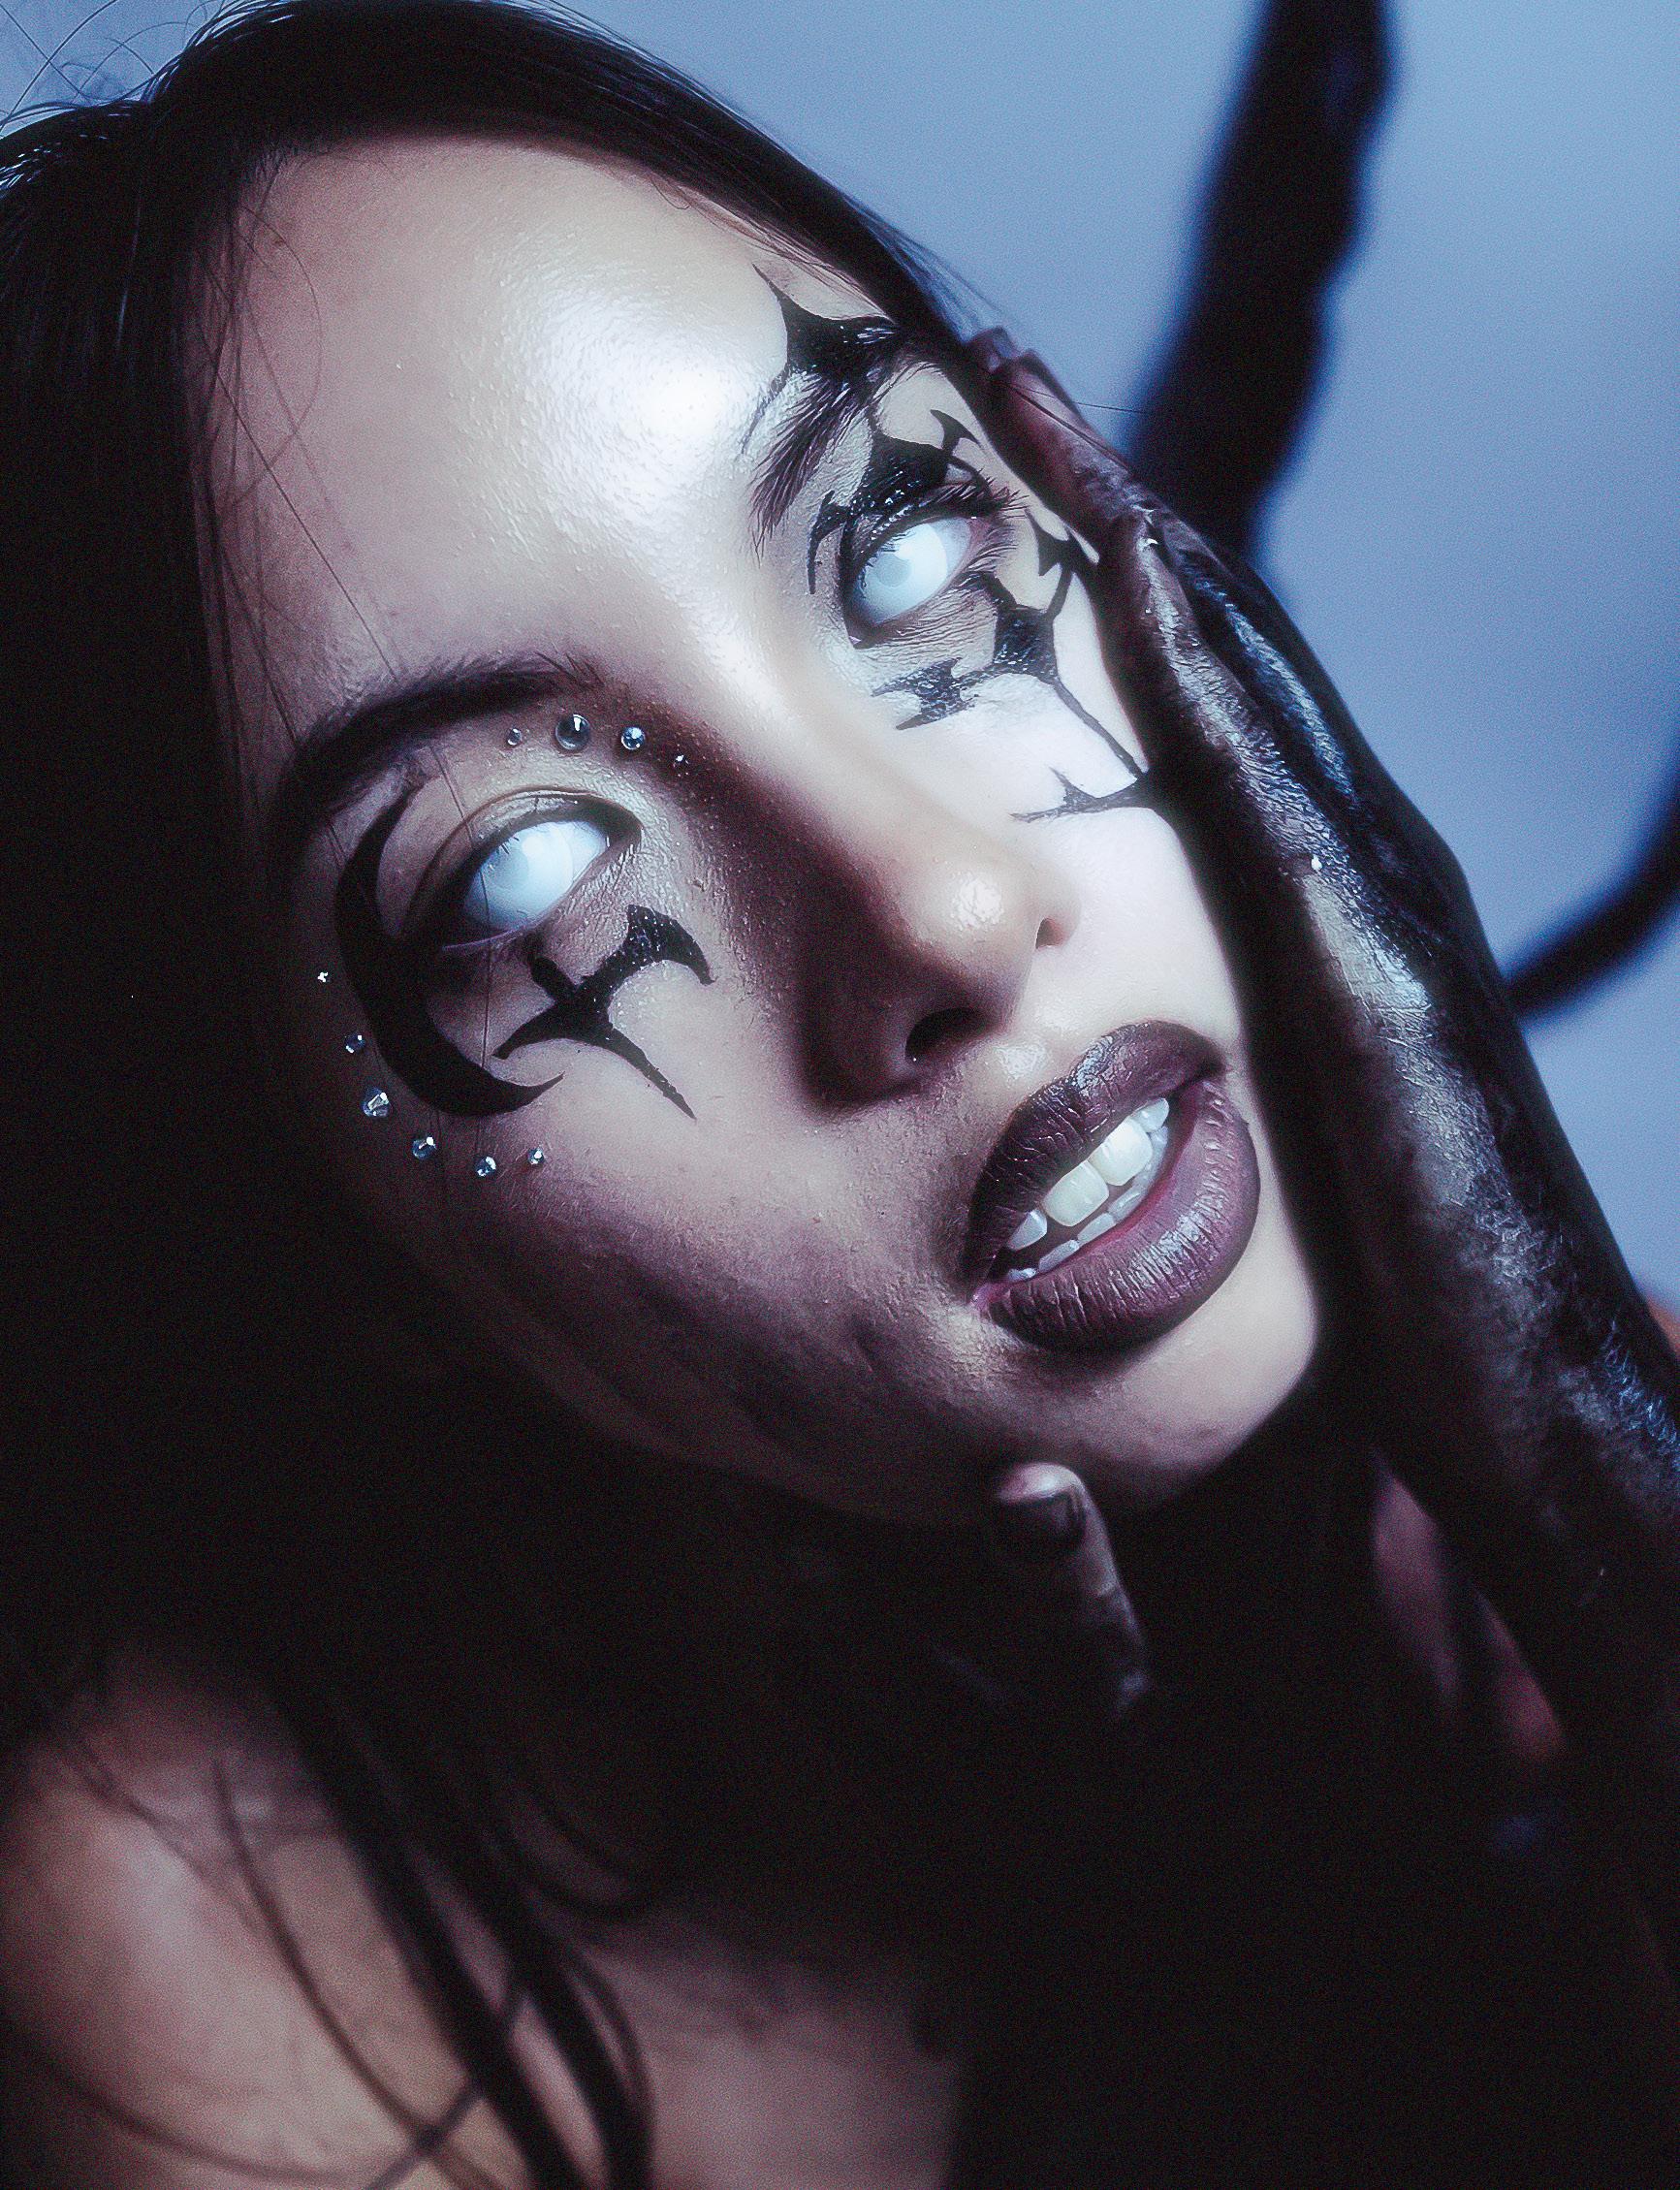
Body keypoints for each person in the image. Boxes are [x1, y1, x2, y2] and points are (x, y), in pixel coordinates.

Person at [2, 4, 1678, 2184]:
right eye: (523, 886)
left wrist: (1586, 1481)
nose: (946, 904)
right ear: (323, 1240)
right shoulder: (228, 1958)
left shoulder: (1571, 1490)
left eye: (902, 551)